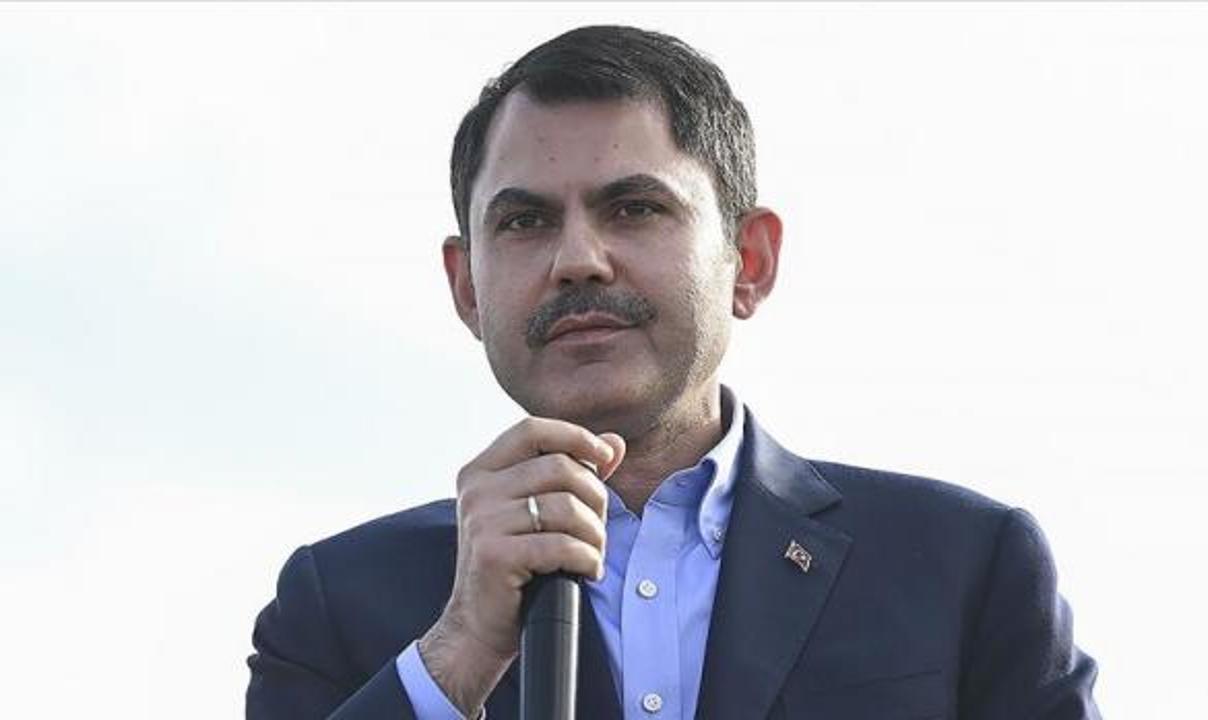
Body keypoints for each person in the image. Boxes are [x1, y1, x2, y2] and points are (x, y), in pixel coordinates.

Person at [246, 25, 1101, 720]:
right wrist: (457, 656)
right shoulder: (336, 605)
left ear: (750, 261)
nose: (578, 260)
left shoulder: (960, 565)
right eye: (525, 222)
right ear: (466, 287)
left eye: (635, 208)